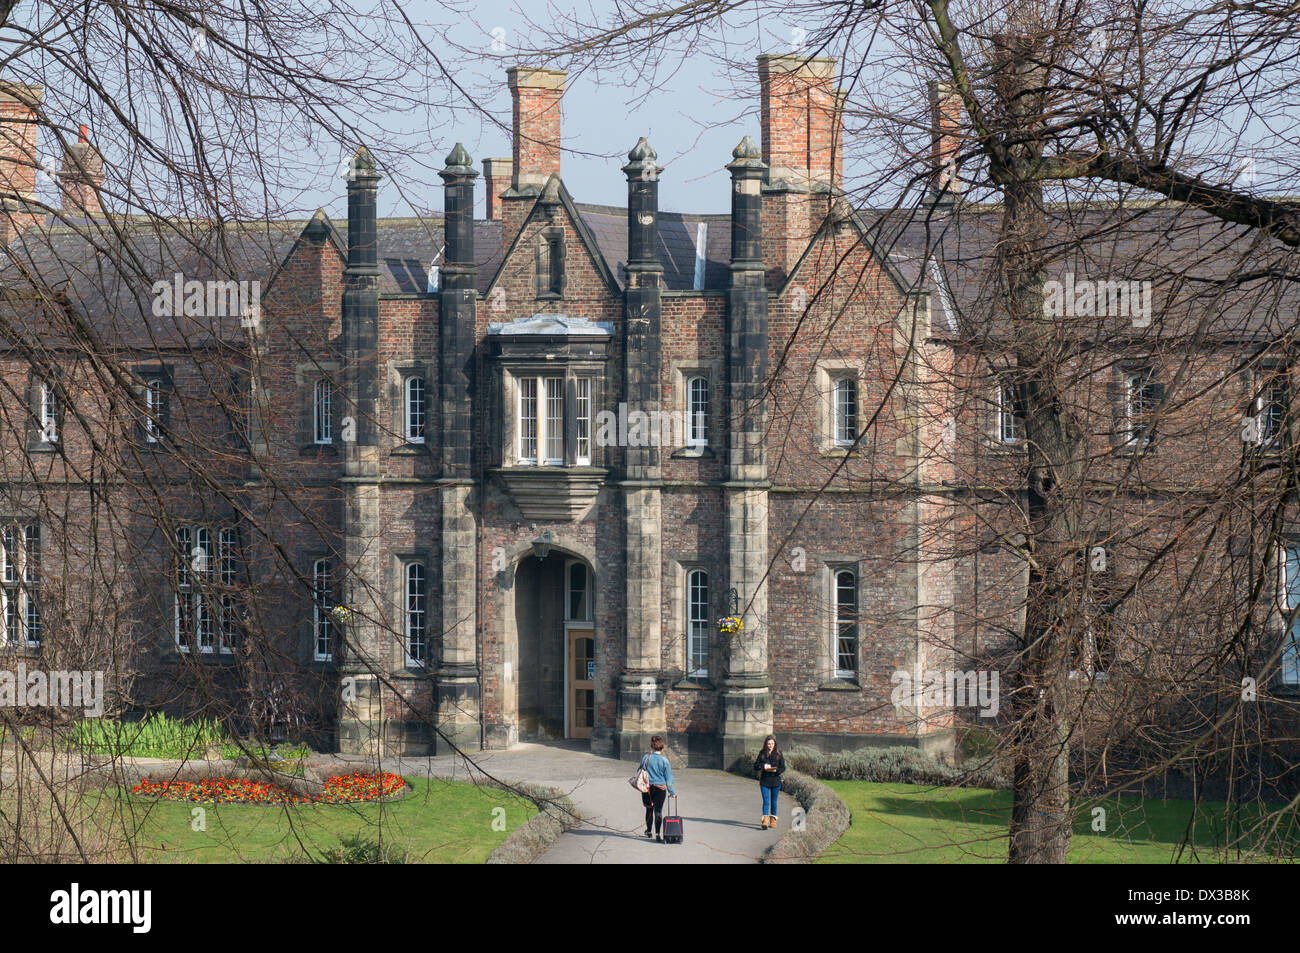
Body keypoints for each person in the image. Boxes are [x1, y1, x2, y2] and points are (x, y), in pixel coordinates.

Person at [639, 735, 676, 841]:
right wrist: (672, 792)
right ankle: (658, 834)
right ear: (662, 747)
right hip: (660, 788)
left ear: (652, 746)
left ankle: (648, 831)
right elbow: (669, 778)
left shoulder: (646, 758)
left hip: (647, 788)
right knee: (658, 811)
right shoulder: (665, 761)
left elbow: (640, 771)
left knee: (649, 809)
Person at [754, 735, 785, 829]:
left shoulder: (779, 753)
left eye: (772, 744)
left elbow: (783, 767)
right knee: (766, 801)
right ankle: (765, 821)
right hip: (765, 781)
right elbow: (755, 766)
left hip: (776, 781)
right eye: (768, 744)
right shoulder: (762, 753)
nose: (770, 745)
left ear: (775, 744)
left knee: (774, 802)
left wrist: (777, 770)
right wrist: (763, 766)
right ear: (766, 744)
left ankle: (773, 820)